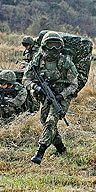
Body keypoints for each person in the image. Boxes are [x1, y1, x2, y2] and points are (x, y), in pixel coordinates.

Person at [23, 31, 78, 165]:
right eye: (50, 45)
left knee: (50, 122)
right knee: (45, 122)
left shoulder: (66, 63)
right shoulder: (37, 60)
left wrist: (62, 95)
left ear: (61, 47)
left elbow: (74, 84)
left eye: (56, 46)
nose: (53, 49)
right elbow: (26, 79)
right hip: (44, 96)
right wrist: (36, 88)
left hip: (61, 98)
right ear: (44, 46)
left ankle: (39, 152)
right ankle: (61, 149)